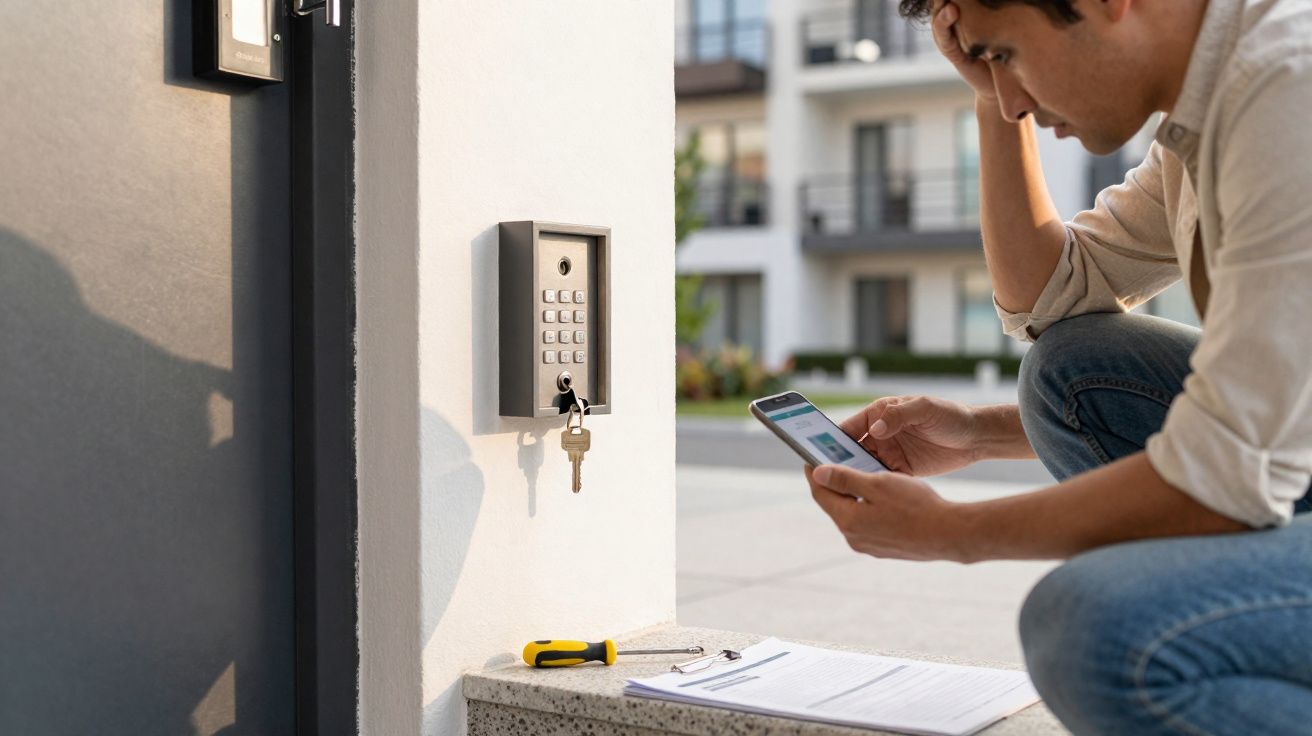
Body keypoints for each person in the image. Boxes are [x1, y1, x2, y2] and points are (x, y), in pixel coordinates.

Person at [803, 0, 1312, 733]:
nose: (1012, 99)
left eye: (1004, 55)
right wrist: (978, 433)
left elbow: (1224, 479)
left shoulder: (1287, 87)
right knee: (1070, 370)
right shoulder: (1201, 121)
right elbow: (1050, 299)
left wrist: (951, 534)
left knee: (1094, 631)